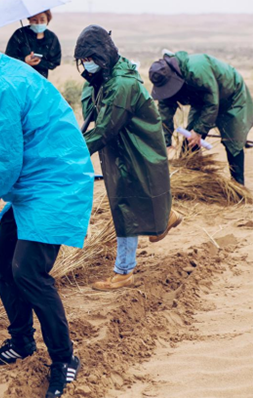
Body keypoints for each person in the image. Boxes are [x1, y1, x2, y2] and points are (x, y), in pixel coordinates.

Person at [0, 26, 94, 398]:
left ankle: (64, 359)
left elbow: (5, 158)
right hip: (33, 184)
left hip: (57, 183)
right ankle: (22, 341)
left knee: (28, 271)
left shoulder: (2, 87)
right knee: (1, 261)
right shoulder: (3, 76)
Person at [74, 25, 182, 291]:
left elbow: (105, 129)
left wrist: (69, 153)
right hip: (123, 150)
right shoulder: (106, 78)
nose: (87, 65)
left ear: (103, 56)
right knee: (128, 203)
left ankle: (124, 271)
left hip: (134, 150)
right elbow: (95, 113)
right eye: (83, 61)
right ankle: (165, 217)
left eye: (91, 60)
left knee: (125, 207)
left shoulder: (122, 84)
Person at [149, 51, 253, 185]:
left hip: (231, 97)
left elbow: (212, 103)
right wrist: (166, 143)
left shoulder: (197, 70)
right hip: (202, 101)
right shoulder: (164, 83)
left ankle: (238, 186)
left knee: (233, 142)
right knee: (190, 142)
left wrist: (198, 131)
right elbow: (164, 115)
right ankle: (194, 182)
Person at [5, 9, 62, 79]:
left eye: (42, 20)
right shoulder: (20, 34)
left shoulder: (52, 38)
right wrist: (24, 60)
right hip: (19, 78)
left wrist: (39, 62)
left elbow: (55, 62)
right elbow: (9, 58)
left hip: (40, 80)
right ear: (29, 20)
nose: (38, 23)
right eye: (34, 20)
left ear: (48, 20)